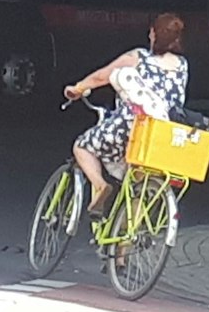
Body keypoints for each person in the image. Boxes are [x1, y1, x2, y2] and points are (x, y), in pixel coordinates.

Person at [63, 13, 190, 217]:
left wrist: (77, 89)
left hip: (133, 126)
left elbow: (100, 77)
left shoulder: (138, 58)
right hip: (163, 132)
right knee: (140, 174)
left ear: (152, 34)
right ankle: (130, 229)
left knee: (82, 146)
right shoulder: (182, 65)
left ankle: (100, 186)